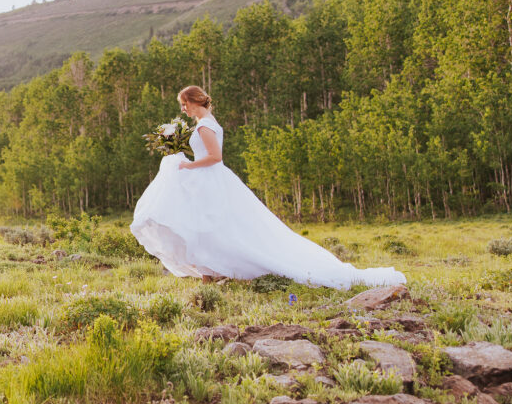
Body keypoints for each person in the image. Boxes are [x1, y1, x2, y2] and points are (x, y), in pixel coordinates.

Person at [130, 86, 405, 290]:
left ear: (191, 101)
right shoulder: (206, 124)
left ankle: (215, 274)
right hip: (210, 180)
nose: (182, 110)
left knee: (214, 226)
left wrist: (185, 166)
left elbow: (215, 157)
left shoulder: (203, 127)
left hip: (211, 178)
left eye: (183, 104)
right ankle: (208, 275)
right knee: (208, 227)